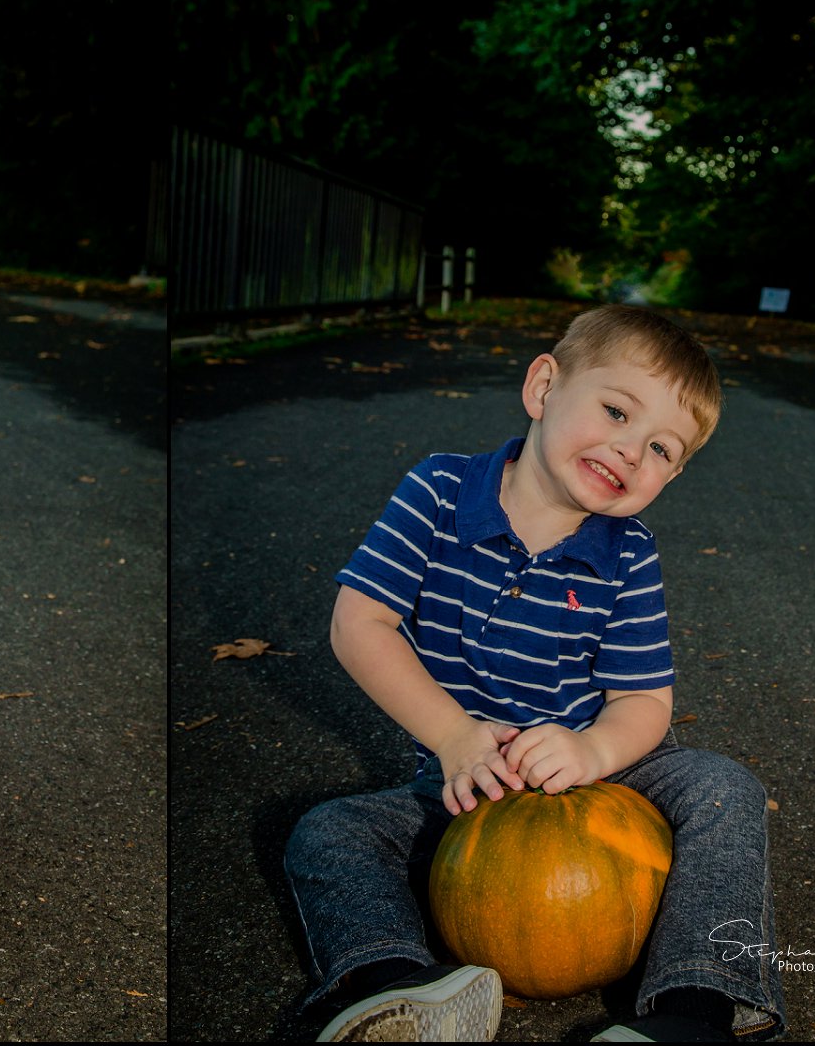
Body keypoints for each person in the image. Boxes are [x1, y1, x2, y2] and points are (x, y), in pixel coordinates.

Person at [285, 304, 784, 1043]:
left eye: (657, 448)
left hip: (608, 776)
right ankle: (392, 986)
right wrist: (453, 735)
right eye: (615, 410)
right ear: (544, 386)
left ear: (671, 475)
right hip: (468, 777)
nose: (626, 450)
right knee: (328, 833)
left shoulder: (627, 553)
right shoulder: (440, 493)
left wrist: (591, 752)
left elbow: (642, 697)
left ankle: (697, 1003)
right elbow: (359, 624)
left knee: (723, 788)